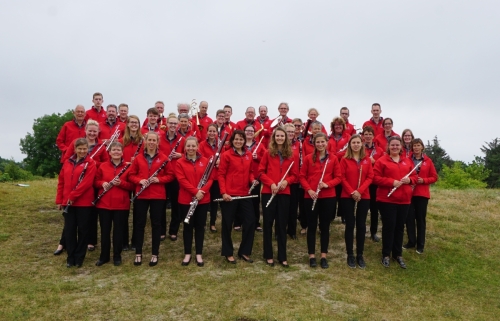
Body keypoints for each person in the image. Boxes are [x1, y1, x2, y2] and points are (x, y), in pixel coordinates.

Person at [57, 120, 108, 253]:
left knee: (90, 214)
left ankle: (91, 240)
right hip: (75, 182)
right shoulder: (76, 143)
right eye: (90, 131)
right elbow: (66, 160)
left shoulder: (101, 146)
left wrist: (90, 163)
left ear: (98, 132)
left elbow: (105, 164)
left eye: (94, 131)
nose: (92, 133)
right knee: (70, 216)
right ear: (85, 130)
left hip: (93, 181)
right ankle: (64, 242)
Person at [128, 131, 174, 267]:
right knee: (139, 224)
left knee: (156, 225)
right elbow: (131, 175)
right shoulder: (138, 158)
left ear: (157, 142)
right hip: (141, 195)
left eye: (154, 140)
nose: (152, 142)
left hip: (158, 195)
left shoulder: (164, 158)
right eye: (150, 140)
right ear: (145, 141)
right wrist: (139, 180)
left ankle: (155, 254)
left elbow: (171, 175)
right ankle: (138, 253)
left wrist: (158, 179)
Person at [373, 136, 417, 269]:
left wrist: (409, 180)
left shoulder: (407, 161)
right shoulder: (381, 161)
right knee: (389, 227)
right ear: (388, 146)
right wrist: (391, 182)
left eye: (397, 145)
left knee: (399, 227)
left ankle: (397, 254)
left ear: (401, 146)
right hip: (387, 199)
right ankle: (386, 254)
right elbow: (375, 178)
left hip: (404, 200)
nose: (395, 147)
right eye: (392, 145)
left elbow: (414, 176)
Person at [299, 133, 341, 269]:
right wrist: (309, 190)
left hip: (328, 196)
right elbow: (302, 176)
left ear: (327, 142)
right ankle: (311, 255)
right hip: (311, 196)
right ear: (314, 143)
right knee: (311, 226)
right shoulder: (307, 158)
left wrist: (327, 184)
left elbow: (338, 177)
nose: (320, 144)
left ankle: (323, 255)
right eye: (318, 142)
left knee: (324, 227)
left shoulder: (333, 159)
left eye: (323, 142)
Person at [258, 127, 297, 267]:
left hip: (284, 193)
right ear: (274, 138)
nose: (280, 138)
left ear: (286, 138)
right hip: (269, 192)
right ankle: (268, 254)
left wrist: (287, 181)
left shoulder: (291, 155)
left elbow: (295, 175)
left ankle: (282, 256)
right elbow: (260, 172)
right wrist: (271, 184)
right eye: (277, 136)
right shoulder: (268, 153)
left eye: (282, 136)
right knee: (268, 224)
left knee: (281, 225)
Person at [218, 130, 257, 264]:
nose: (239, 141)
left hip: (245, 194)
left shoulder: (248, 154)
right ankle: (228, 252)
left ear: (244, 141)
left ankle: (244, 251)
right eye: (236, 139)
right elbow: (221, 175)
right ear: (232, 141)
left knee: (251, 221)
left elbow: (251, 172)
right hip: (230, 194)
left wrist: (252, 180)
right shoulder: (226, 155)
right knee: (227, 223)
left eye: (241, 139)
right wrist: (224, 193)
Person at [56, 138, 97, 267]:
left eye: (85, 148)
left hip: (83, 203)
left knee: (83, 231)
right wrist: (59, 200)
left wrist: (72, 196)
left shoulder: (90, 163)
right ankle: (70, 257)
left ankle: (79, 258)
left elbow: (86, 183)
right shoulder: (67, 162)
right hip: (68, 202)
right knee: (69, 230)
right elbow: (61, 182)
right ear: (75, 149)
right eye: (80, 148)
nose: (82, 151)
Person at [94, 142, 133, 266]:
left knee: (118, 232)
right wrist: (102, 184)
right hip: (104, 204)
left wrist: (121, 183)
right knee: (105, 232)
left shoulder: (128, 167)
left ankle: (117, 256)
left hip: (121, 205)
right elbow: (95, 182)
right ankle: (104, 256)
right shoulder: (102, 166)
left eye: (118, 150)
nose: (116, 152)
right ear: (109, 152)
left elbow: (132, 186)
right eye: (114, 150)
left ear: (122, 153)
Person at [177, 137, 214, 267]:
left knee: (200, 227)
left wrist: (201, 192)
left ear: (197, 146)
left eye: (193, 146)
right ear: (185, 147)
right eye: (188, 146)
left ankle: (199, 253)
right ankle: (187, 253)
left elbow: (211, 179)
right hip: (186, 199)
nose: (191, 148)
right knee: (187, 227)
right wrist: (195, 192)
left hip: (202, 200)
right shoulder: (179, 162)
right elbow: (181, 180)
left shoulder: (205, 161)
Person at [340, 135, 374, 269]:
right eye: (353, 142)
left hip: (363, 196)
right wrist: (352, 192)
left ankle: (360, 254)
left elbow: (370, 176)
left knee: (361, 225)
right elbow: (341, 178)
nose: (355, 144)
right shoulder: (344, 160)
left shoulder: (366, 160)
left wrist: (360, 191)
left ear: (361, 144)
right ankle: (350, 254)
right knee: (350, 225)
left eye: (358, 142)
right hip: (347, 196)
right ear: (349, 145)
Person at [404, 138, 438, 254]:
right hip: (409, 193)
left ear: (422, 147)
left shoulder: (428, 161)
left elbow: (434, 177)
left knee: (420, 219)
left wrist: (423, 180)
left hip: (422, 194)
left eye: (418, 145)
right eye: (414, 146)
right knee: (409, 218)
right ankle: (411, 241)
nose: (416, 148)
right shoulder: (407, 160)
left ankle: (420, 244)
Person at [158, 114, 184, 242]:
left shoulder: (182, 140)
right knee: (161, 204)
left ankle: (173, 230)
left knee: (176, 204)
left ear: (178, 125)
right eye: (171, 123)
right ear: (166, 124)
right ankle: (161, 230)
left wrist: (180, 155)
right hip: (162, 174)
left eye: (175, 123)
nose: (173, 125)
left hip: (177, 176)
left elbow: (190, 154)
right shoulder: (159, 138)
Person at [120, 115, 144, 250]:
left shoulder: (143, 142)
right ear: (128, 124)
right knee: (123, 212)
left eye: (136, 122)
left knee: (138, 213)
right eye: (132, 122)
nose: (134, 124)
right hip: (123, 178)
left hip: (137, 179)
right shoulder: (121, 142)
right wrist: (128, 163)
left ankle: (136, 241)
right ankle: (124, 242)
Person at [237, 124, 266, 232]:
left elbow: (265, 159)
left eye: (251, 131)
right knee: (240, 199)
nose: (249, 132)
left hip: (255, 177)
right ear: (244, 132)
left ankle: (256, 223)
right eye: (247, 130)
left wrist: (257, 157)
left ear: (254, 133)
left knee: (255, 199)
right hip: (242, 175)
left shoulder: (260, 145)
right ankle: (239, 222)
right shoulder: (240, 144)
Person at [198, 123, 225, 233]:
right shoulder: (202, 144)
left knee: (214, 201)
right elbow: (201, 157)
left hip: (217, 177)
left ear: (217, 133)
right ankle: (202, 222)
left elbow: (224, 156)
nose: (212, 133)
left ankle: (212, 223)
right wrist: (212, 160)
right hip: (206, 176)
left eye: (214, 131)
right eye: (210, 131)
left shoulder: (221, 144)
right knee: (204, 201)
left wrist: (220, 161)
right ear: (207, 132)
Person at [362, 126, 384, 242]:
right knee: (363, 208)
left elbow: (382, 165)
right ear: (363, 136)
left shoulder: (379, 150)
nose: (368, 136)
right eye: (366, 134)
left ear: (373, 136)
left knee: (374, 209)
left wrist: (374, 162)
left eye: (370, 134)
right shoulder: (360, 148)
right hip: (363, 181)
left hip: (375, 182)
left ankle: (373, 232)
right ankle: (362, 229)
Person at [328, 117, 352, 224]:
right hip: (331, 167)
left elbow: (349, 151)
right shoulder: (328, 138)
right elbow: (327, 151)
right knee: (332, 192)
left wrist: (336, 155)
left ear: (343, 126)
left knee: (343, 192)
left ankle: (343, 215)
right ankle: (331, 215)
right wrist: (334, 155)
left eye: (340, 125)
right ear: (333, 127)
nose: (338, 126)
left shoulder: (348, 137)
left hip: (344, 166)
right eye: (336, 125)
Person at [284, 123, 304, 238]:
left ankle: (291, 231)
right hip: (283, 180)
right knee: (282, 207)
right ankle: (280, 230)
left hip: (295, 180)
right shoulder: (279, 144)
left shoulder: (299, 144)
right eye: (288, 131)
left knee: (293, 207)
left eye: (292, 131)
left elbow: (302, 161)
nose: (291, 133)